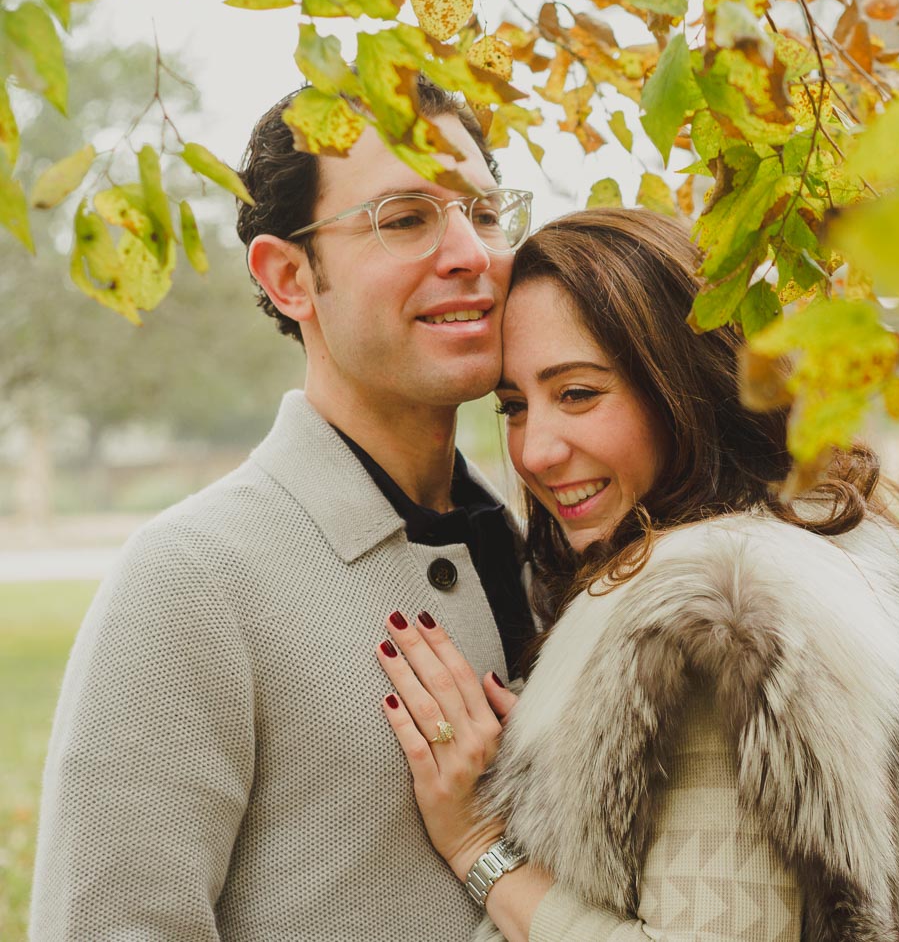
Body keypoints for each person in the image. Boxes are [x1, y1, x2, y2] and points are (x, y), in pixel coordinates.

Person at [376, 209, 899, 941]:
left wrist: (480, 847)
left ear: (683, 388)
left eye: (578, 393)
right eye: (514, 406)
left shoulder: (719, 615)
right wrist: (557, 765)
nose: (535, 451)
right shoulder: (803, 561)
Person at [30, 77, 536, 941]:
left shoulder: (547, 559)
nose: (470, 253)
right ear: (291, 276)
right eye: (406, 218)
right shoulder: (191, 581)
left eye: (485, 214)